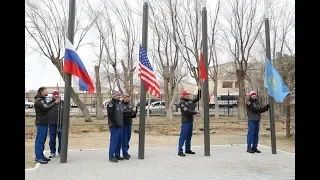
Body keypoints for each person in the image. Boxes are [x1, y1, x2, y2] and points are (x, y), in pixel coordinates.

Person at [34, 87, 60, 164]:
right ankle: (38, 157)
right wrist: (55, 102)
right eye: (45, 90)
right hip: (41, 123)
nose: (47, 91)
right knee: (40, 140)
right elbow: (46, 108)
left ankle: (41, 156)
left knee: (43, 140)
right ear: (41, 91)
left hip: (44, 122)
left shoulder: (42, 99)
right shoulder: (39, 100)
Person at [178, 87, 201, 157]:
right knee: (183, 136)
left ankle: (188, 149)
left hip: (190, 121)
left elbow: (198, 98)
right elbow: (186, 111)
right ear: (184, 95)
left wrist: (199, 90)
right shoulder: (182, 102)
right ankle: (180, 151)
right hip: (185, 122)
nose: (188, 95)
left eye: (188, 94)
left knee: (189, 136)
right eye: (186, 94)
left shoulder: (190, 101)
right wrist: (195, 112)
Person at [107, 90, 124, 163]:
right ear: (114, 96)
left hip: (120, 125)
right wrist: (115, 123)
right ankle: (111, 156)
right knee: (114, 141)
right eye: (117, 95)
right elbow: (111, 115)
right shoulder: (111, 104)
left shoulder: (119, 103)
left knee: (119, 141)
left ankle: (117, 154)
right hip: (114, 126)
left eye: (119, 95)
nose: (119, 96)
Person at [48, 90, 63, 158]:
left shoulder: (63, 103)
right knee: (52, 139)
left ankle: (61, 151)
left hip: (61, 123)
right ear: (52, 96)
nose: (56, 95)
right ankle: (52, 152)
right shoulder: (49, 103)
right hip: (52, 123)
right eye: (55, 94)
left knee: (61, 138)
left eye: (57, 94)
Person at [121, 93, 137, 159]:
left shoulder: (131, 105)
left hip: (129, 124)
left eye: (128, 97)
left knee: (128, 138)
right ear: (123, 98)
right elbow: (123, 114)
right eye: (125, 97)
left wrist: (135, 111)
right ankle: (124, 153)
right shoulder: (121, 105)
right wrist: (131, 112)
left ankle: (126, 151)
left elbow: (134, 115)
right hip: (123, 124)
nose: (127, 98)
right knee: (124, 139)